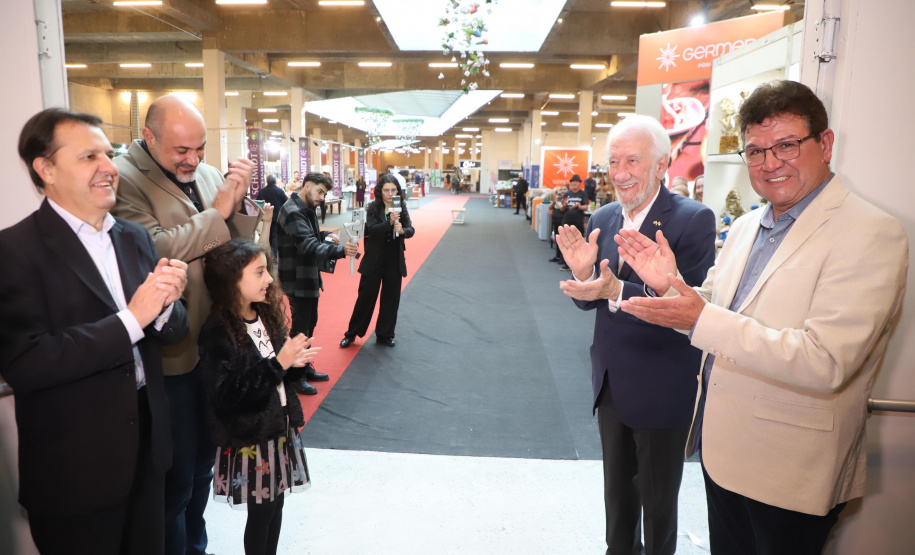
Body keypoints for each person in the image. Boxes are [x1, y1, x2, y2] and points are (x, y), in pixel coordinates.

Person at [616, 80, 909, 555]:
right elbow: (713, 303)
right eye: (755, 151)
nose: (770, 163)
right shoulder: (749, 225)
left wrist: (696, 318)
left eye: (787, 146)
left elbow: (824, 360)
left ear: (825, 144)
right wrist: (669, 283)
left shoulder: (871, 233)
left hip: (790, 469)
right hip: (724, 454)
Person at [0, 108, 190, 555]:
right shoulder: (13, 252)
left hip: (147, 453)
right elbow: (27, 362)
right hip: (75, 472)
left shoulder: (134, 238)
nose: (109, 167)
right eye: (89, 157)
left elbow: (173, 328)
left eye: (108, 154)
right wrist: (133, 319)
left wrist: (164, 307)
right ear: (44, 169)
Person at [111, 94, 267, 555]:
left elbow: (236, 250)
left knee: (203, 470)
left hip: (217, 347)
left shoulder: (207, 174)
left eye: (199, 148)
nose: (193, 159)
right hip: (171, 355)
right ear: (148, 136)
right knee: (173, 482)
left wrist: (239, 207)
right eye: (182, 150)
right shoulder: (122, 180)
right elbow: (152, 250)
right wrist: (218, 210)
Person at [556, 114, 716, 555]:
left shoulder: (693, 219)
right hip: (610, 380)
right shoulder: (605, 216)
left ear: (663, 164)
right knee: (617, 499)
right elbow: (590, 300)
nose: (620, 172)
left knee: (658, 502)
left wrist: (616, 289)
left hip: (661, 384)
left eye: (632, 160)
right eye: (613, 161)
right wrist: (584, 274)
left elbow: (690, 306)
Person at [199, 239, 317, 555]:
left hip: (279, 430)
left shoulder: (264, 315)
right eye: (260, 272)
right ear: (233, 279)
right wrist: (280, 362)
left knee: (276, 508)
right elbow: (228, 394)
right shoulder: (217, 331)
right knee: (261, 513)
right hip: (252, 439)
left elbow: (277, 376)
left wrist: (292, 365)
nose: (269, 280)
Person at [276, 173, 357, 394]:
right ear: (307, 185)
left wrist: (326, 236)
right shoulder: (292, 211)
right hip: (296, 277)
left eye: (325, 193)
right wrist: (340, 251)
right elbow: (308, 246)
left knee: (309, 323)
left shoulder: (305, 208)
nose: (322, 197)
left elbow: (310, 238)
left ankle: (304, 368)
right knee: (301, 329)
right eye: (320, 191)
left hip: (307, 275)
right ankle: (294, 375)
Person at [339, 174, 416, 349]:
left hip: (394, 261)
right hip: (374, 259)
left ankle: (385, 334)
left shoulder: (401, 207)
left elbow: (411, 229)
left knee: (391, 299)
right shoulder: (373, 208)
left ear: (398, 191)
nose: (390, 193)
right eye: (386, 190)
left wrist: (403, 230)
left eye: (393, 190)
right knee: (365, 299)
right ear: (380, 191)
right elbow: (372, 230)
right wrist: (389, 222)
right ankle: (351, 334)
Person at [558, 174, 589, 271]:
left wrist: (578, 207)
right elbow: (563, 209)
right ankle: (566, 263)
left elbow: (586, 207)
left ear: (580, 183)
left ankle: (577, 263)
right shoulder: (567, 194)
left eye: (576, 181)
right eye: (573, 181)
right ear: (570, 183)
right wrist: (563, 205)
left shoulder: (583, 193)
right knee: (566, 241)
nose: (574, 183)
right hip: (567, 219)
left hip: (578, 220)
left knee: (577, 241)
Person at [257, 174, 288, 258]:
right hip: (277, 216)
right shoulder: (279, 191)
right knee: (274, 235)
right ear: (275, 182)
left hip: (266, 215)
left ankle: (267, 255)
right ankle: (274, 255)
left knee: (266, 234)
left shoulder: (262, 191)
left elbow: (258, 203)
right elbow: (286, 201)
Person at [547, 185, 568, 264]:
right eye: (561, 189)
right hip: (555, 221)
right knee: (557, 239)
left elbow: (562, 209)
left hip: (562, 221)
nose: (563, 191)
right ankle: (558, 255)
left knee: (562, 240)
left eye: (564, 189)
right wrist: (554, 201)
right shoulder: (558, 198)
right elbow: (550, 207)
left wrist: (556, 202)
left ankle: (563, 258)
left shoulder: (566, 199)